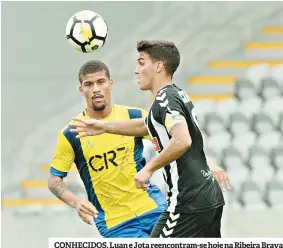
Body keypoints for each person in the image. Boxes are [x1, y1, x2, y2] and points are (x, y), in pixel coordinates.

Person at [69, 41, 230, 238]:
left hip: (188, 200)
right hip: (207, 195)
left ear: (159, 66)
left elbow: (182, 139)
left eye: (141, 63)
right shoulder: (176, 94)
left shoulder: (165, 100)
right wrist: (104, 126)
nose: (136, 71)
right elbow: (146, 125)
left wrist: (148, 169)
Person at [48, 60, 167, 238]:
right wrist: (76, 201)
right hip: (116, 224)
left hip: (154, 208)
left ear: (111, 84)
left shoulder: (133, 116)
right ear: (81, 89)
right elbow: (54, 180)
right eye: (89, 84)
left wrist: (207, 163)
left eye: (101, 82)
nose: (96, 88)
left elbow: (173, 141)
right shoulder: (71, 133)